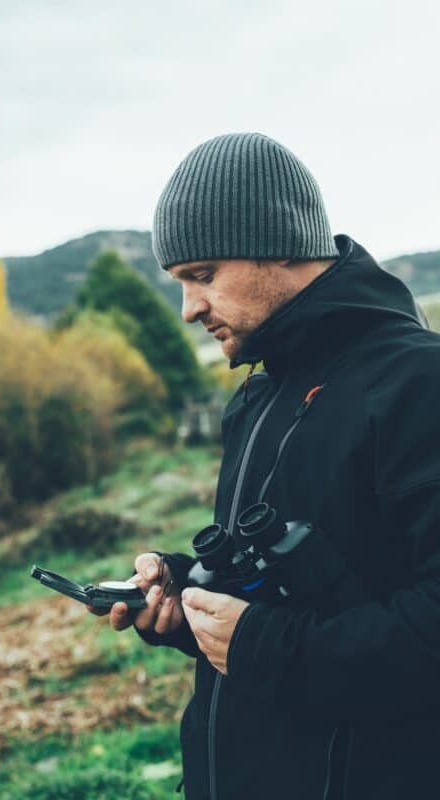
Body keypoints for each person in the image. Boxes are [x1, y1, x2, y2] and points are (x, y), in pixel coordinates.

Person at [88, 133, 440, 800]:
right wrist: (188, 592)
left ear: (279, 242)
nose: (188, 309)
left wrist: (262, 648)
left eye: (202, 275)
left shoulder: (419, 380)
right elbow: (288, 594)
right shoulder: (256, 394)